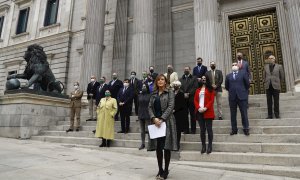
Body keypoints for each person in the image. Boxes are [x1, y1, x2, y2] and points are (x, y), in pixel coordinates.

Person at [148, 74, 178, 180]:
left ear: (165, 82)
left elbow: (171, 106)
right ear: (156, 82)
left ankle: (166, 170)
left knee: (166, 147)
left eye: (162, 79)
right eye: (158, 80)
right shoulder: (153, 94)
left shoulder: (170, 92)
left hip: (167, 122)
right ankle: (160, 169)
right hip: (156, 123)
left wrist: (161, 119)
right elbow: (150, 107)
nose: (160, 81)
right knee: (158, 147)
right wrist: (153, 118)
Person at [225, 63, 250, 136]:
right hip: (232, 97)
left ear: (238, 66)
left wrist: (243, 91)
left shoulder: (243, 73)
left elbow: (247, 84)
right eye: (232, 65)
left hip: (242, 96)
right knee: (233, 115)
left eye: (235, 64)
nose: (234, 66)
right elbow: (227, 87)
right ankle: (234, 129)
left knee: (244, 113)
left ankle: (246, 128)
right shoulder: (228, 76)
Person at [194, 75, 215, 154]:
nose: (203, 80)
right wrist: (199, 108)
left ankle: (210, 146)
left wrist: (205, 108)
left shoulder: (210, 89)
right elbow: (195, 100)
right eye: (202, 79)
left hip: (208, 111)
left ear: (207, 80)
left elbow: (211, 100)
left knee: (209, 130)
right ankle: (203, 146)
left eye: (205, 79)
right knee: (202, 130)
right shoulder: (198, 90)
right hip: (199, 112)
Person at [180, 66, 198, 134]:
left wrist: (189, 93)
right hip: (184, 99)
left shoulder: (194, 78)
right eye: (185, 69)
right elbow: (180, 88)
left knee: (192, 115)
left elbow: (195, 87)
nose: (186, 70)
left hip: (191, 98)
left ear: (190, 70)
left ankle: (193, 130)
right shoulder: (181, 79)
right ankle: (186, 130)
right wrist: (184, 94)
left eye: (187, 69)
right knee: (184, 115)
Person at [173, 80, 188, 150]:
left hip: (178, 114)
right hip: (172, 114)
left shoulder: (181, 93)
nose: (175, 86)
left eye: (176, 85)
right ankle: (173, 144)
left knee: (178, 130)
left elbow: (182, 104)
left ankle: (177, 144)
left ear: (179, 86)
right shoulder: (172, 93)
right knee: (173, 130)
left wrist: (175, 109)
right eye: (174, 85)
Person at [137, 84, 151, 150]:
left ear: (147, 88)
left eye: (145, 86)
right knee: (142, 131)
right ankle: (143, 143)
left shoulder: (150, 95)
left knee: (149, 130)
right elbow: (138, 105)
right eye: (142, 86)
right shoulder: (139, 95)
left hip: (148, 114)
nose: (143, 87)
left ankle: (150, 144)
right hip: (141, 114)